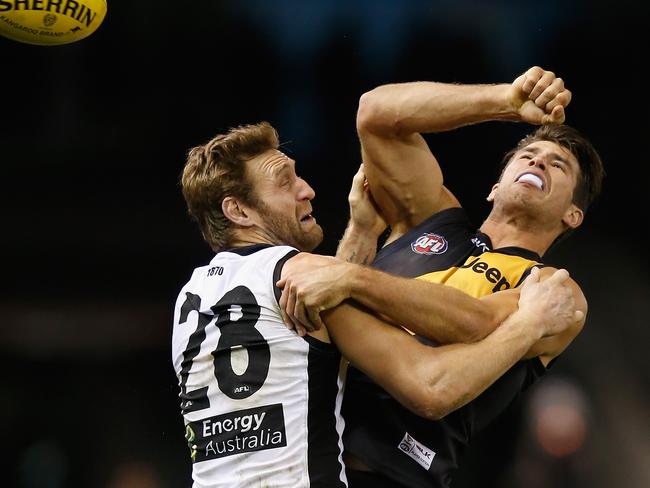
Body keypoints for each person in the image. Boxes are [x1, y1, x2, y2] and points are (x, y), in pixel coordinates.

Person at [171, 121, 581, 487]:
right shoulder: (298, 273)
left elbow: (319, 340)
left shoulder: (192, 296)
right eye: (284, 181)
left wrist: (363, 232)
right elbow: (431, 387)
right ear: (238, 210)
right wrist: (529, 323)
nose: (306, 189)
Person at [278, 66, 605, 487]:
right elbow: (376, 113)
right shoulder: (433, 219)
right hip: (309, 459)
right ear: (494, 186)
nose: (538, 160)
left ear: (572, 215)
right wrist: (505, 101)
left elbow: (474, 323)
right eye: (527, 156)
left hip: (393, 475)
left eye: (558, 166)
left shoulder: (554, 290)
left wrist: (351, 277)